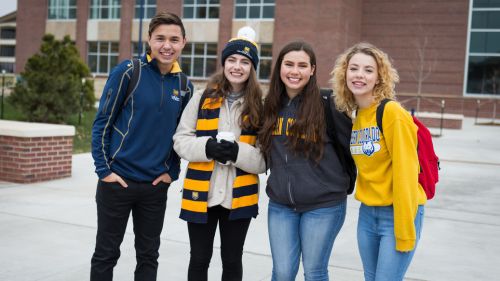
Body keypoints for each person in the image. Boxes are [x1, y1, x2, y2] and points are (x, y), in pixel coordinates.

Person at [90, 12, 193, 281]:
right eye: (160, 38)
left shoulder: (185, 86)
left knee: (148, 255)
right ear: (149, 40)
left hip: (154, 187)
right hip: (117, 182)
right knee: (106, 254)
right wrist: (104, 171)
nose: (166, 45)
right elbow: (103, 122)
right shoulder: (128, 71)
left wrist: (171, 171)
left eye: (173, 39)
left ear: (184, 42)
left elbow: (179, 136)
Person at [173, 27, 266, 281]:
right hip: (202, 193)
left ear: (252, 68)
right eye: (232, 60)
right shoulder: (202, 98)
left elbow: (264, 159)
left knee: (232, 260)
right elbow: (180, 140)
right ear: (224, 63)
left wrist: (237, 152)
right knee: (199, 258)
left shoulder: (261, 105)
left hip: (239, 197)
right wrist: (207, 148)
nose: (237, 66)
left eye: (245, 62)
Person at [331, 42, 426, 281]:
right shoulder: (357, 116)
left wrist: (404, 231)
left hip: (397, 214)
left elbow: (406, 173)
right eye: (354, 68)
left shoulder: (392, 113)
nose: (359, 75)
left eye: (368, 70)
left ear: (379, 77)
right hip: (367, 215)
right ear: (345, 74)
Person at [258, 41, 353, 281]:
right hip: (281, 205)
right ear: (279, 67)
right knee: (281, 273)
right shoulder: (270, 105)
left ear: (312, 70)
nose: (294, 71)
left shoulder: (328, 104)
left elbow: (351, 147)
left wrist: (340, 185)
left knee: (314, 272)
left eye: (302, 65)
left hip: (323, 206)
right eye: (289, 64)